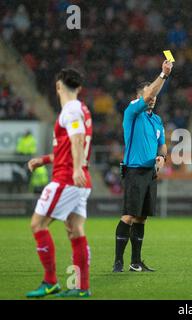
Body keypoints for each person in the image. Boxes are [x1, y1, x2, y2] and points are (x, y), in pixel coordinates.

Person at [25, 68, 93, 297]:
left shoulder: (71, 109)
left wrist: (75, 169)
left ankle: (50, 281)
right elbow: (70, 146)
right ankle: (82, 288)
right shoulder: (82, 109)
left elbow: (77, 139)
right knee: (75, 230)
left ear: (58, 86)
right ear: (79, 87)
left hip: (67, 178)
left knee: (37, 224)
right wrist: (44, 160)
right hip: (80, 179)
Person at [113, 60, 172, 273]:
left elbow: (162, 145)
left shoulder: (156, 120)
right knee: (128, 215)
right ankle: (118, 261)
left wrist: (162, 158)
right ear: (139, 97)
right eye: (149, 95)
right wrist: (163, 75)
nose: (153, 98)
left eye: (155, 96)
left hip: (150, 173)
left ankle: (135, 262)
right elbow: (148, 94)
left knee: (141, 217)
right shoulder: (132, 112)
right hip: (134, 170)